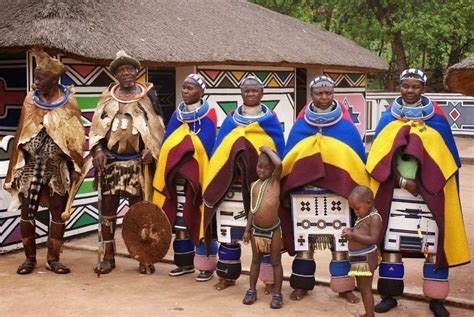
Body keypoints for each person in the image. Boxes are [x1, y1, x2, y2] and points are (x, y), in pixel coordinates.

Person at [367, 69, 470, 317]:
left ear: (423, 89)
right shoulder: (387, 119)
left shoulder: (437, 120)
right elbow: (379, 160)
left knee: (432, 247)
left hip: (430, 195)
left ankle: (435, 299)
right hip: (395, 194)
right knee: (392, 244)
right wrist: (402, 180)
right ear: (399, 87)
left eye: (415, 87)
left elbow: (446, 161)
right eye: (405, 86)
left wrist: (425, 183)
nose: (409, 91)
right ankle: (389, 295)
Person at [279, 75, 369, 302]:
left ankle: (344, 287)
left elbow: (356, 162)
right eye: (319, 93)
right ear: (311, 95)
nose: (324, 97)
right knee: (304, 243)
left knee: (340, 243)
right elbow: (290, 160)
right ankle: (301, 284)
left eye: (328, 92)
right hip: (305, 195)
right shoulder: (300, 127)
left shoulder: (346, 128)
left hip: (339, 197)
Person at [4, 48, 85, 274]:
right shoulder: (30, 100)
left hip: (57, 166)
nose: (36, 82)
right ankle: (29, 259)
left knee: (58, 211)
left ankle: (53, 258)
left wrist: (77, 164)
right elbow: (23, 131)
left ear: (54, 79)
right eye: (36, 77)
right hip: (31, 164)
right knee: (27, 210)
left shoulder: (69, 102)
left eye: (41, 78)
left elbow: (77, 135)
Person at [202, 76, 285, 291]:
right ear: (241, 93)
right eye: (246, 91)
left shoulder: (271, 121)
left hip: (262, 188)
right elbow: (219, 152)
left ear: (262, 94)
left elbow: (278, 151)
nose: (250, 94)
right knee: (228, 234)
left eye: (254, 91)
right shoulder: (231, 121)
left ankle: (268, 280)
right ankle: (227, 276)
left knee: (264, 234)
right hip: (232, 187)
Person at [89, 50, 165, 274]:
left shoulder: (148, 96)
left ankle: (143, 256)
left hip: (137, 165)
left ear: (136, 71)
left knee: (139, 212)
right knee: (108, 211)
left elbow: (158, 126)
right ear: (116, 75)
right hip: (111, 164)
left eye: (129, 69)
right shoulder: (107, 97)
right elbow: (96, 128)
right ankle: (108, 257)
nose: (126, 73)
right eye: (121, 70)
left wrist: (152, 151)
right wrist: (98, 149)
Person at [153, 74, 218, 282]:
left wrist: (186, 154)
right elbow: (168, 144)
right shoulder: (176, 115)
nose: (185, 91)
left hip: (199, 179)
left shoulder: (210, 115)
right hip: (176, 178)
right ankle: (184, 263)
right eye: (184, 88)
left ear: (201, 92)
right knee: (180, 222)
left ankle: (206, 267)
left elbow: (205, 148)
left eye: (190, 88)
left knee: (200, 221)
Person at [242, 146, 284, 309]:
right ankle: (251, 290)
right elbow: (252, 209)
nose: (262, 170)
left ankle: (277, 294)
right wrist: (247, 229)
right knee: (255, 261)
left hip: (272, 230)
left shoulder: (274, 182)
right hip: (256, 230)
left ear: (272, 170)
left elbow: (279, 164)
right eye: (260, 166)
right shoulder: (254, 185)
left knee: (275, 262)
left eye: (267, 168)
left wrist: (267, 149)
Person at [342, 185, 382, 317]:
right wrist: (351, 230)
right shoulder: (364, 215)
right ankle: (368, 313)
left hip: (366, 258)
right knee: (362, 287)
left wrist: (353, 235)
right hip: (358, 257)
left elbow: (373, 238)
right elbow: (361, 231)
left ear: (369, 203)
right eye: (353, 209)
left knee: (365, 289)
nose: (356, 212)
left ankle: (370, 315)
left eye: (357, 208)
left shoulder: (375, 218)